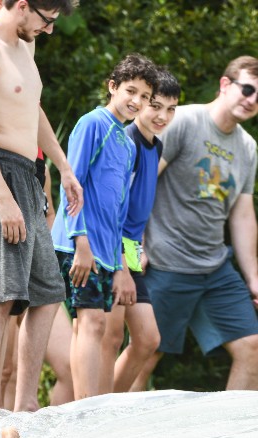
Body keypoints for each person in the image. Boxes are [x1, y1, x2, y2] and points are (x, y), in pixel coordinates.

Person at [0, 0, 81, 411]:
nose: (48, 30)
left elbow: (34, 110)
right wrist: (2, 197)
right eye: (46, 20)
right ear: (22, 5)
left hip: (28, 174)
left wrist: (63, 167)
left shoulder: (25, 48)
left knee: (47, 292)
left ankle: (26, 404)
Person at [134, 56, 258, 391]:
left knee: (252, 348)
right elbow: (140, 182)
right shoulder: (184, 121)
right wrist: (135, 244)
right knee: (144, 356)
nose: (252, 99)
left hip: (215, 268)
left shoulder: (248, 147)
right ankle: (107, 433)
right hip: (166, 263)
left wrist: (254, 277)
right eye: (248, 89)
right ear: (225, 85)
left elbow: (243, 215)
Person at [52, 54, 158, 400]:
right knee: (91, 324)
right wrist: (80, 241)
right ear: (112, 87)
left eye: (144, 97)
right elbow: (72, 184)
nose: (137, 101)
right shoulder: (93, 123)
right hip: (79, 246)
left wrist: (122, 266)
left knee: (99, 330)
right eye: (131, 91)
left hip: (107, 254)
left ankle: (96, 406)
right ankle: (85, 410)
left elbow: (119, 213)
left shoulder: (128, 145)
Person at [101, 68, 179, 393]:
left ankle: (109, 407)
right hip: (111, 247)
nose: (162, 116)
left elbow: (139, 204)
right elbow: (112, 205)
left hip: (132, 249)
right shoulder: (126, 142)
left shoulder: (156, 146)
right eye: (155, 105)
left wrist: (141, 246)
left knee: (148, 340)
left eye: (171, 109)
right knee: (110, 337)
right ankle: (92, 409)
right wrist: (121, 260)